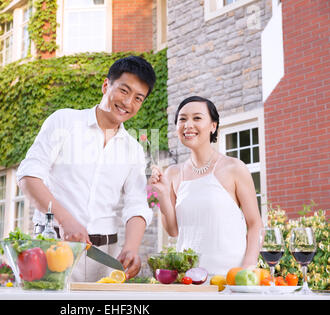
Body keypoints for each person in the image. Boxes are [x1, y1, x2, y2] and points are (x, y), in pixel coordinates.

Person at [16, 56, 156, 281]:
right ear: (105, 85)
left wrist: (131, 247)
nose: (128, 102)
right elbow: (29, 175)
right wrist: (64, 220)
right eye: (124, 91)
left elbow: (137, 204)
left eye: (138, 98)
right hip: (53, 247)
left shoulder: (134, 150)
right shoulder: (64, 121)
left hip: (104, 257)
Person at [149, 96, 262, 276]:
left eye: (197, 118)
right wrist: (162, 195)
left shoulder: (234, 168)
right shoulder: (173, 173)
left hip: (231, 278)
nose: (188, 125)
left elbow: (255, 224)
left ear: (213, 126)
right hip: (191, 278)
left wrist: (247, 268)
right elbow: (173, 230)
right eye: (182, 119)